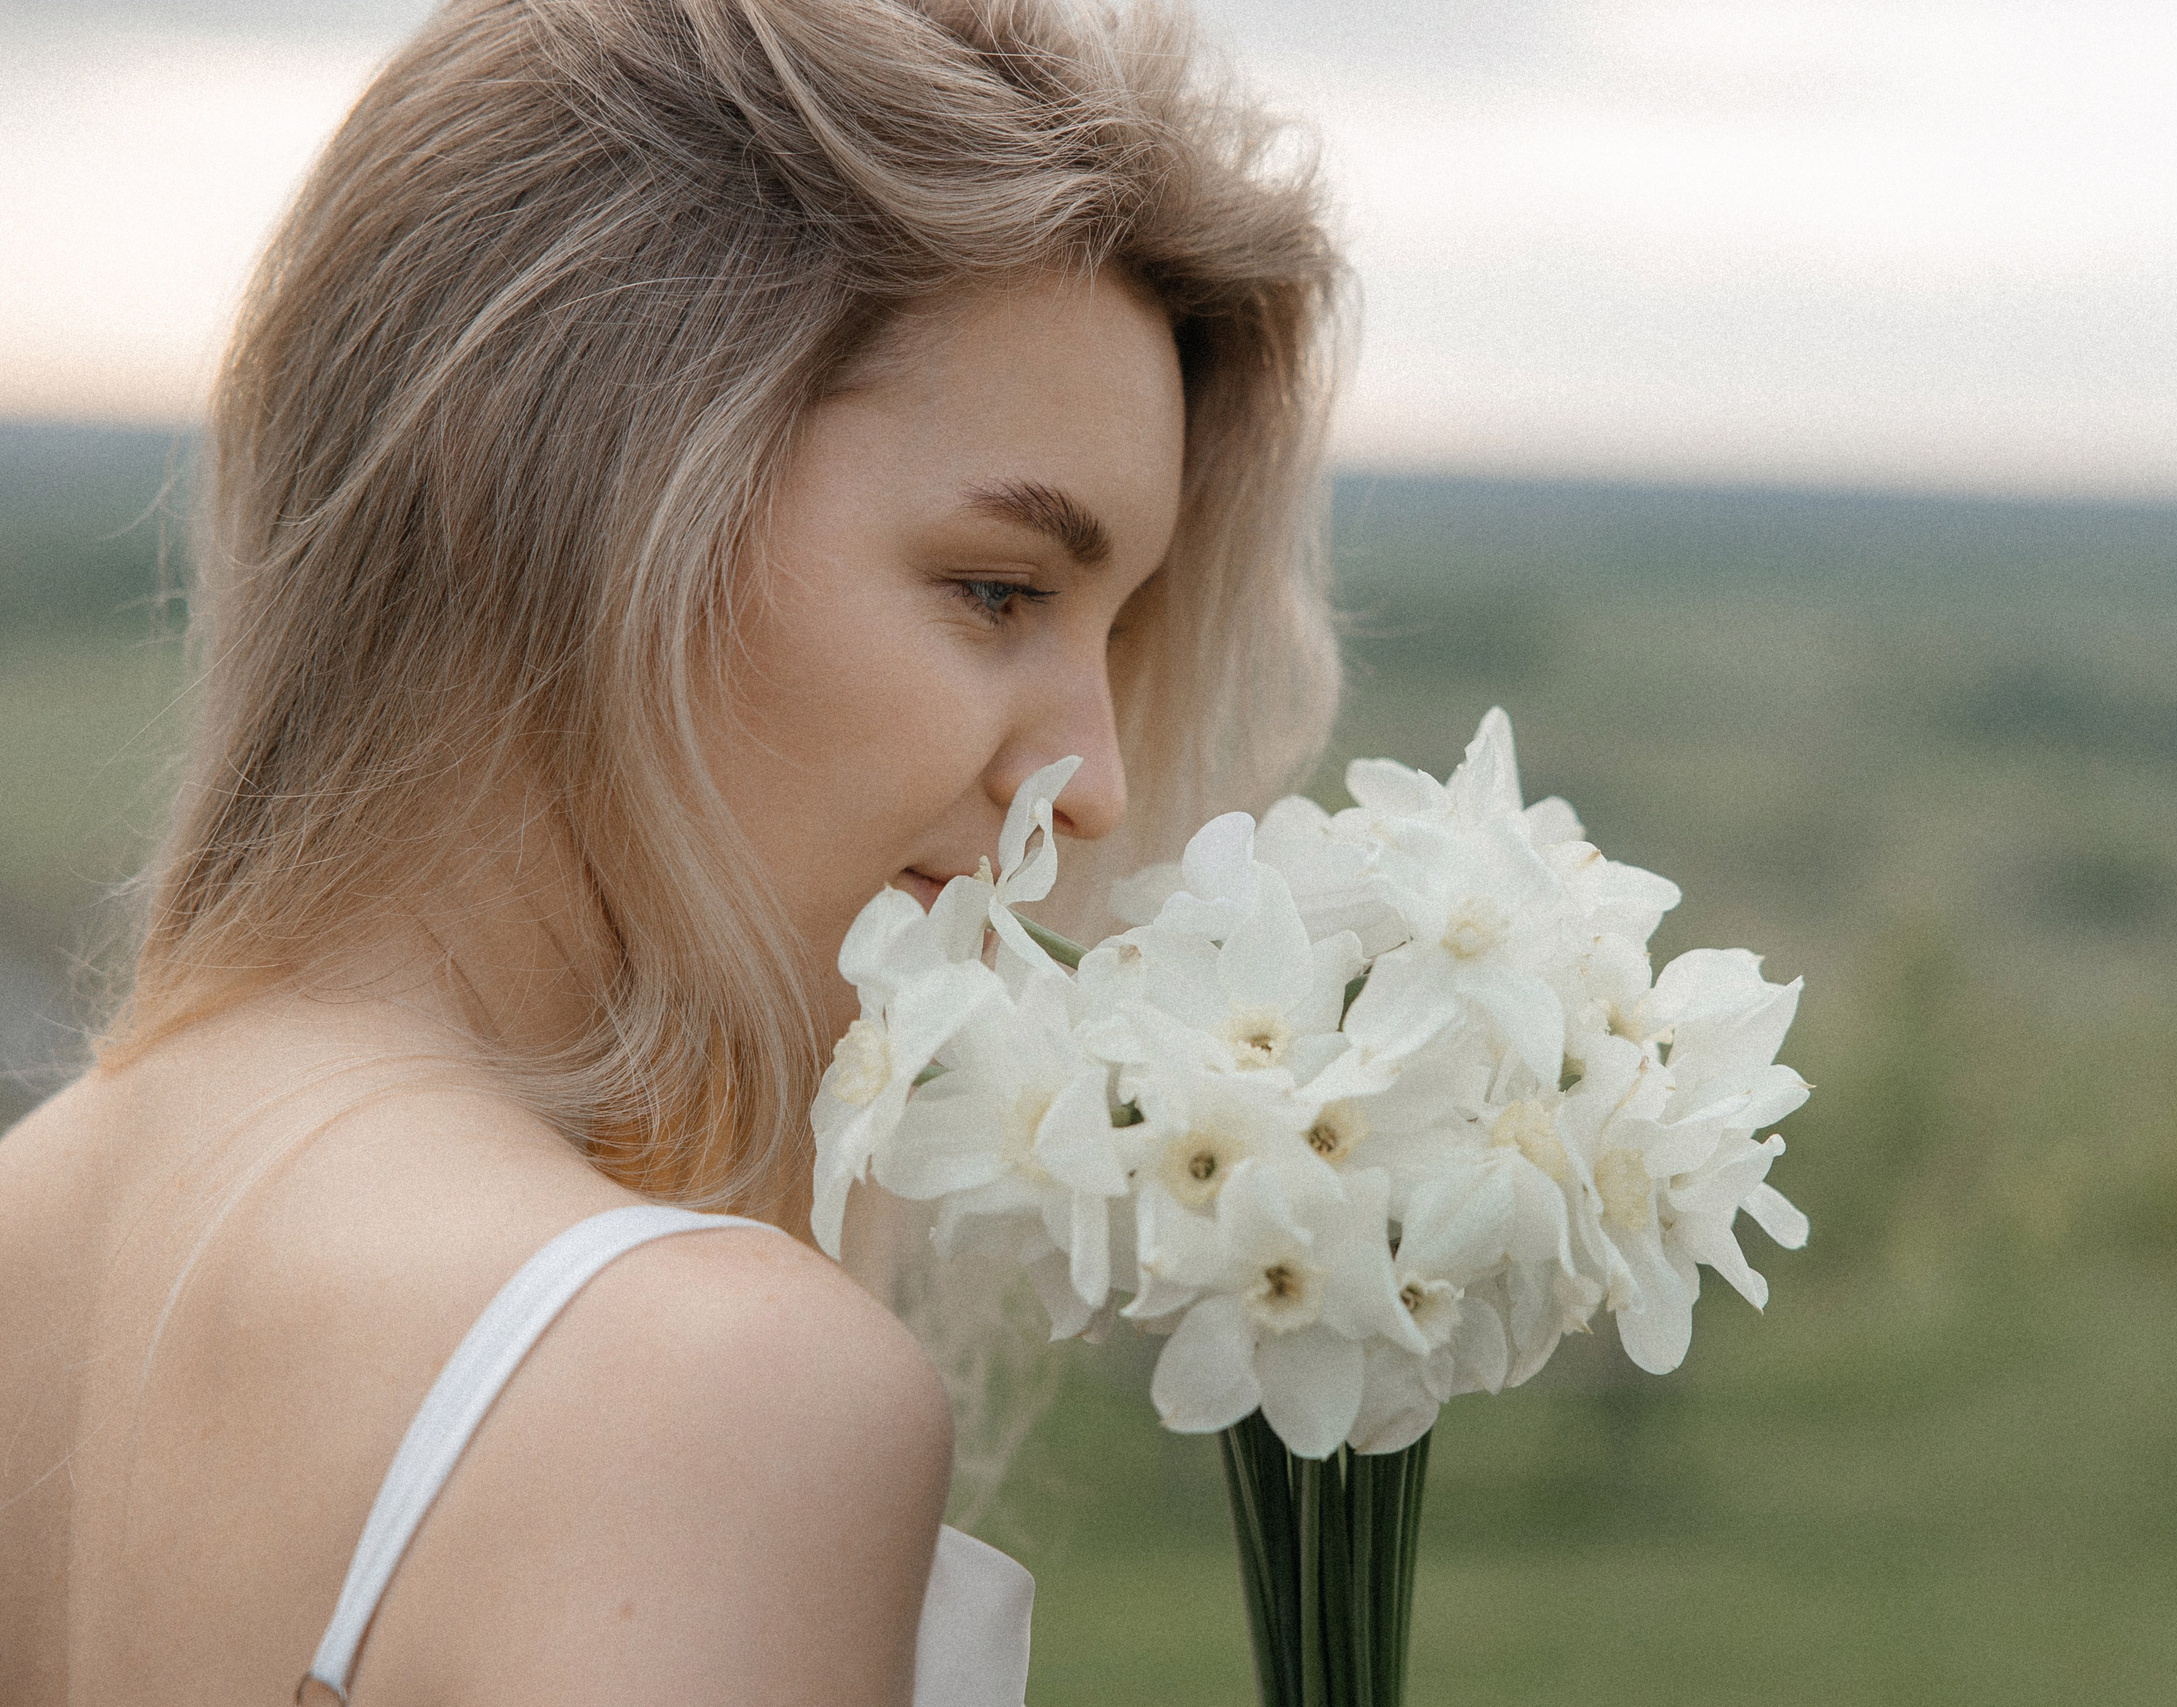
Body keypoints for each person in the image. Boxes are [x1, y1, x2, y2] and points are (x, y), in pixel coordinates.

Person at [0, 0, 1344, 1699]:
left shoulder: (36, 1223)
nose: (1096, 783)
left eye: (1115, 626)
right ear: (540, 474)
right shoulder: (699, 1381)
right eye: (999, 588)